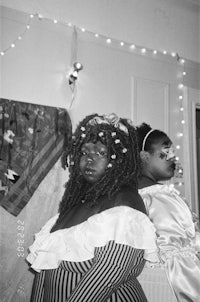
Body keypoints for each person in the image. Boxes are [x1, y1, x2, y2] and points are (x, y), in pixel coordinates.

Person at [27, 113, 157, 302]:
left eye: (100, 153)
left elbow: (109, 273)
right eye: (85, 152)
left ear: (120, 159)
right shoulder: (75, 206)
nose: (89, 159)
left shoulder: (125, 206)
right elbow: (44, 268)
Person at [136, 122, 200, 302]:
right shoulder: (160, 198)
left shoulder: (130, 195)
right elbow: (182, 263)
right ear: (145, 156)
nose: (173, 158)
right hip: (171, 290)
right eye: (166, 152)